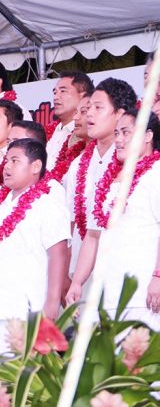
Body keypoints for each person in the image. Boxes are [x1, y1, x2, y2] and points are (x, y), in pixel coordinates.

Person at [0, 139, 69, 357]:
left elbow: (59, 254)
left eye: (15, 161)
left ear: (35, 167)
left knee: (27, 383)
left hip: (29, 310)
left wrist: (52, 304)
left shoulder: (48, 205)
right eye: (6, 161)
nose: (6, 166)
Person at [83, 112, 160, 329]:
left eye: (126, 132)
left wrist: (158, 277)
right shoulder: (110, 180)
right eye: (117, 133)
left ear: (148, 136)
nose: (118, 140)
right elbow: (94, 235)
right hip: (108, 294)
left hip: (142, 295)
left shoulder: (156, 172)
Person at [66, 78, 137, 300]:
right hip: (78, 276)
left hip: (122, 277)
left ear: (120, 114)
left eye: (98, 108)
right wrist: (69, 279)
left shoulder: (134, 164)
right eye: (88, 109)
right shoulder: (78, 164)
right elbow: (69, 224)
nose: (89, 115)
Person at [46, 71, 94, 167]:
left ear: (83, 96)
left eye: (63, 91)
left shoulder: (88, 133)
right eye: (55, 92)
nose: (56, 97)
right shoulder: (47, 132)